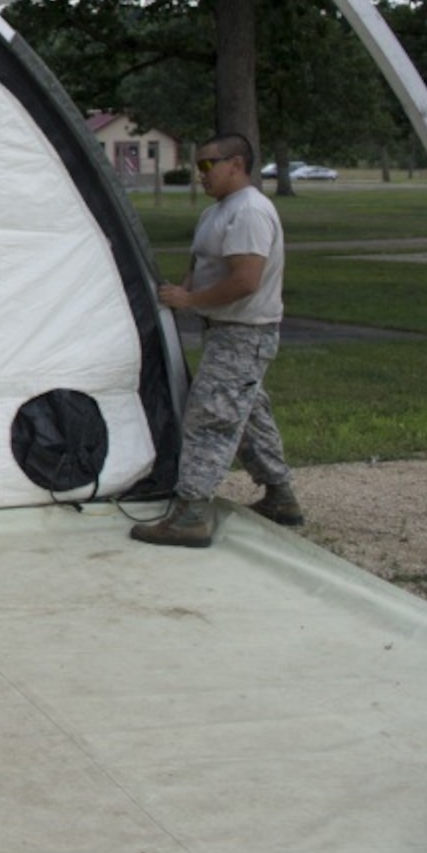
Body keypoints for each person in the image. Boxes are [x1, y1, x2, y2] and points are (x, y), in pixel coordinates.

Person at [133, 132, 305, 547]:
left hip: (245, 333)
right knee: (247, 416)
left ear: (237, 164)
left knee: (210, 417)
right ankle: (281, 497)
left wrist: (190, 300)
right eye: (198, 166)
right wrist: (184, 292)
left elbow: (245, 280)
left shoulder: (249, 212)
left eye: (209, 165)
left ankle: (191, 514)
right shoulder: (218, 213)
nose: (201, 174)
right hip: (225, 332)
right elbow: (206, 264)